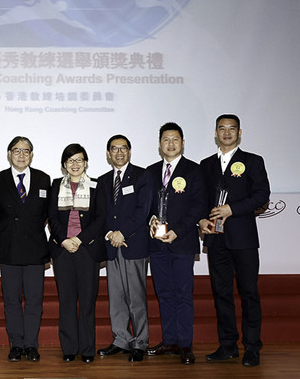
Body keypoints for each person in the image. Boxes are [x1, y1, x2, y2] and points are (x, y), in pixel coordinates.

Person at [199, 114, 270, 367]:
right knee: (221, 294)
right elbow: (199, 200)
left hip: (244, 240)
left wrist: (232, 209)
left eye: (232, 129)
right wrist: (200, 220)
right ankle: (228, 345)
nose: (227, 132)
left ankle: (252, 347)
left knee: (249, 293)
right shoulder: (205, 165)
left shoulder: (252, 161)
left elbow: (262, 195)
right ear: (215, 133)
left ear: (239, 133)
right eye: (222, 128)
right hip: (216, 241)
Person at [0, 137, 51, 362]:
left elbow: (46, 213)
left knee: (34, 300)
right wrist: (8, 228)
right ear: (9, 153)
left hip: (35, 247)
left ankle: (31, 345)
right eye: (17, 150)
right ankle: (16, 344)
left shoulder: (44, 179)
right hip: (9, 247)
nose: (21, 155)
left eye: (26, 151)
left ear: (31, 154)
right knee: (11, 300)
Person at [146, 123, 205, 365]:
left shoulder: (194, 170)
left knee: (182, 294)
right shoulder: (149, 172)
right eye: (166, 139)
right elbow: (145, 203)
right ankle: (169, 340)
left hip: (181, 243)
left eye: (175, 139)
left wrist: (177, 232)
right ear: (159, 144)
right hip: (157, 244)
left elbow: (198, 206)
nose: (170, 144)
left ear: (182, 143)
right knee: (164, 294)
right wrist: (149, 218)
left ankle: (185, 344)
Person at [96, 135, 153, 362]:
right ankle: (121, 339)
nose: (119, 152)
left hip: (133, 244)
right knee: (116, 296)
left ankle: (140, 342)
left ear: (130, 151)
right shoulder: (102, 180)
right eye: (114, 149)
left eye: (123, 148)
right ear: (108, 154)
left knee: (136, 296)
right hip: (111, 246)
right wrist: (110, 234)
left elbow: (143, 209)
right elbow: (100, 213)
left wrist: (123, 233)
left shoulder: (142, 175)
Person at [48, 143, 105, 363]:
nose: (75, 164)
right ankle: (69, 348)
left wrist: (79, 240)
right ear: (64, 164)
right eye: (70, 160)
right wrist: (64, 239)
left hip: (86, 249)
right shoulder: (55, 185)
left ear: (86, 163)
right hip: (62, 249)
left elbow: (100, 218)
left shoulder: (96, 185)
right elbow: (51, 216)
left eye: (79, 160)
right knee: (67, 300)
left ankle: (88, 348)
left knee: (88, 301)